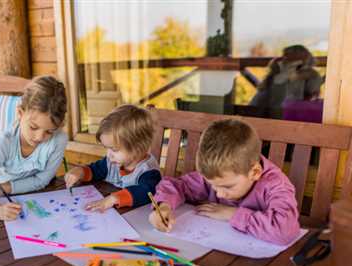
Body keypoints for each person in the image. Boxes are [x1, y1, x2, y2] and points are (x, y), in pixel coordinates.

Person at [149, 119, 300, 245]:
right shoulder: (220, 174)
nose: (219, 193)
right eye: (212, 185)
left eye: (227, 187)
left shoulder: (275, 185)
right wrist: (163, 206)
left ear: (254, 172)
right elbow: (177, 185)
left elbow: (285, 230)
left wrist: (232, 214)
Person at [0, 75, 68, 221]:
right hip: (6, 204)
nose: (39, 137)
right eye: (33, 127)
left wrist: (4, 187)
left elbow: (42, 180)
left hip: (39, 199)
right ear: (20, 113)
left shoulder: (59, 140)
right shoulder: (6, 142)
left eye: (49, 131)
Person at [65, 104, 161, 212]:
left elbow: (147, 192)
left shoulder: (149, 171)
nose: (108, 154)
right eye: (107, 148)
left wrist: (113, 199)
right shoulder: (113, 161)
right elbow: (95, 170)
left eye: (114, 149)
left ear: (137, 148)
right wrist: (80, 171)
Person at [249, 45, 323, 118]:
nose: (284, 59)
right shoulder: (281, 75)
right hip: (268, 116)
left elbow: (312, 96)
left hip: (262, 115)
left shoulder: (310, 75)